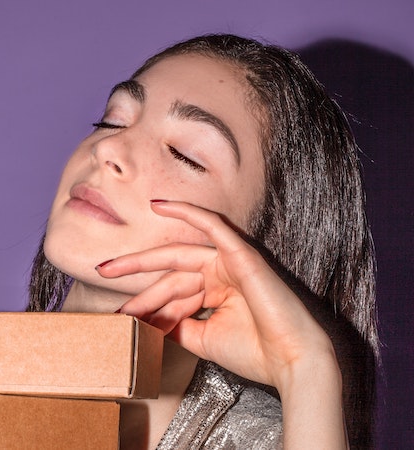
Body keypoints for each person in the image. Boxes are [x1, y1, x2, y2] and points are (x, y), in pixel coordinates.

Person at [26, 34, 378, 449]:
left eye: (184, 154)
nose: (108, 148)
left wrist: (306, 369)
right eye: (113, 119)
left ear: (259, 248)